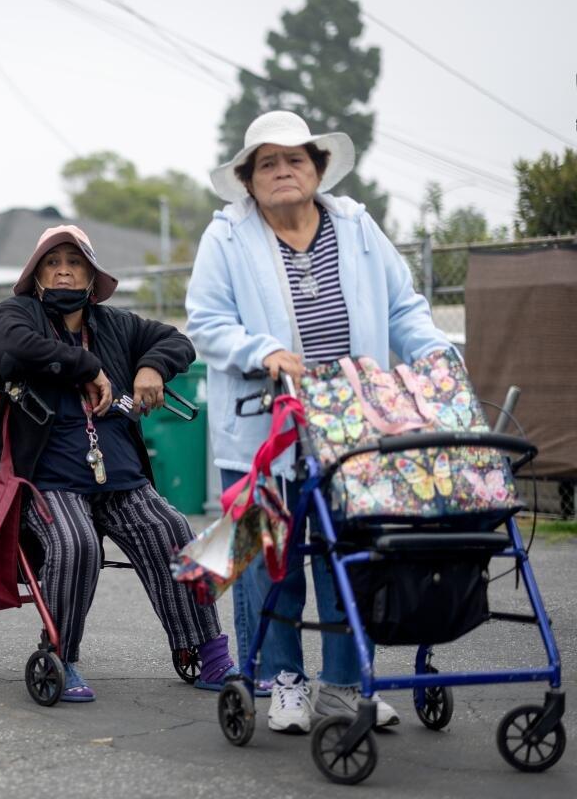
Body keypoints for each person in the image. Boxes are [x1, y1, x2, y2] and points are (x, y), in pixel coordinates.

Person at [186, 110, 451, 732]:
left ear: (318, 168)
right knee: (263, 561)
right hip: (261, 427)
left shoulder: (356, 226)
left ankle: (340, 685)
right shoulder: (225, 235)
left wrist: (434, 352)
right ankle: (284, 682)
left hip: (351, 425)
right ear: (248, 179)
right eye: (267, 163)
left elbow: (404, 307)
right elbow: (207, 322)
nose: (283, 171)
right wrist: (264, 351)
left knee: (348, 557)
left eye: (295, 159)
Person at [0, 225, 235, 703]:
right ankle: (62, 653)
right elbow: (3, 353)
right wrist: (87, 367)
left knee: (174, 529)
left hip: (119, 477)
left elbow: (179, 341)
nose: (64, 271)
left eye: (74, 263)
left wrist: (151, 367)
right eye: (52, 263)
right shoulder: (17, 313)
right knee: (77, 546)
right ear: (36, 276)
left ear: (92, 277)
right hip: (48, 481)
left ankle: (207, 647)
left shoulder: (116, 324)